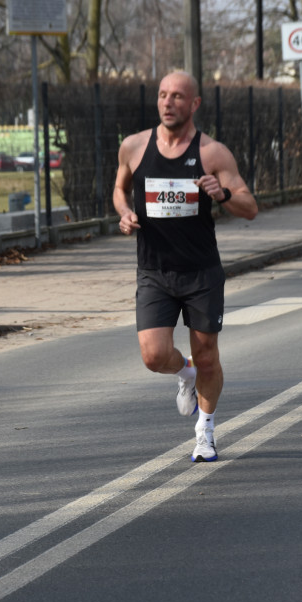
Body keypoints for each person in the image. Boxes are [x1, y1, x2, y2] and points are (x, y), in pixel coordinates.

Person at [113, 70, 258, 463]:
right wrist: (125, 213)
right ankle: (185, 374)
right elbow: (120, 188)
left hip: (200, 272)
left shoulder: (212, 153)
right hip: (154, 270)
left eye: (177, 96)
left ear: (193, 104)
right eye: (162, 94)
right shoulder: (135, 146)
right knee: (153, 355)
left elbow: (250, 207)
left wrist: (223, 192)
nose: (167, 102)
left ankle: (205, 432)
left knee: (208, 354)